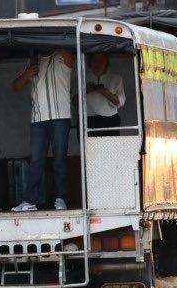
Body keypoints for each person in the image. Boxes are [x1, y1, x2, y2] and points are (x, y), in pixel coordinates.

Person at [12, 48, 75, 211]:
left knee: (59, 159)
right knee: (36, 161)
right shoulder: (32, 61)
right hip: (38, 119)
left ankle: (60, 198)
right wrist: (26, 75)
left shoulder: (63, 54)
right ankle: (29, 201)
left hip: (60, 116)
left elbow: (71, 49)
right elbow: (16, 87)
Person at [83, 52, 126, 129]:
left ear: (106, 63)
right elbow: (73, 102)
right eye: (95, 60)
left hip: (110, 120)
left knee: (111, 141)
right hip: (87, 120)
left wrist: (104, 91)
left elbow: (120, 102)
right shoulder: (82, 78)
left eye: (101, 61)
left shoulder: (116, 79)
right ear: (90, 63)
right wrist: (85, 91)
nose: (98, 64)